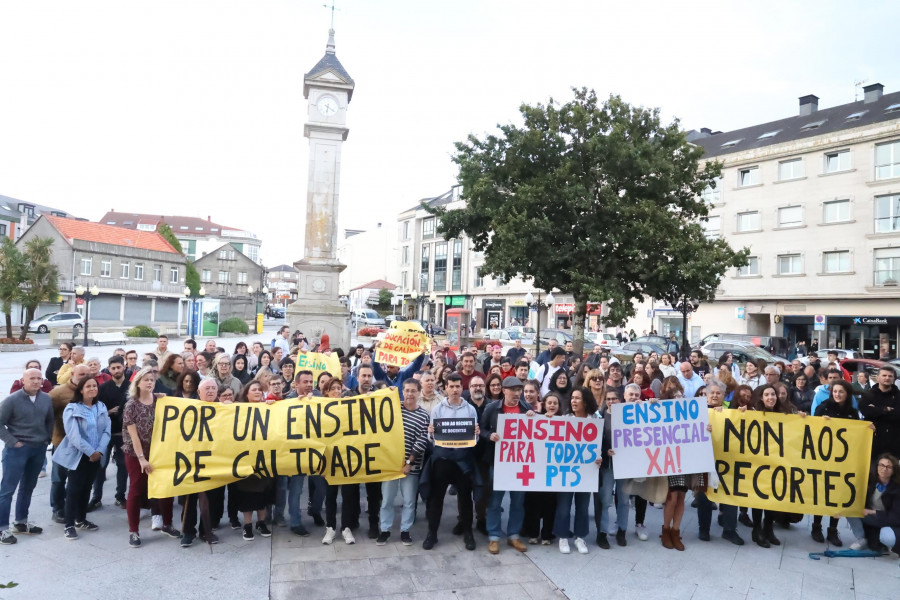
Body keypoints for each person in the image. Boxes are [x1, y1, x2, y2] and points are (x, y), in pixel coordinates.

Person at [123, 366, 179, 548]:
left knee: (166, 487)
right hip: (136, 453)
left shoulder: (160, 401)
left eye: (152, 380)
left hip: (159, 452)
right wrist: (141, 459)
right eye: (145, 380)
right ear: (138, 383)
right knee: (137, 489)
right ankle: (133, 531)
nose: (149, 382)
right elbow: (133, 435)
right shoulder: (131, 405)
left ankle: (167, 524)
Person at [424, 372, 480, 551]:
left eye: (458, 386)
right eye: (452, 386)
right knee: (436, 498)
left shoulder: (470, 409)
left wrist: (476, 434)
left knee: (465, 498)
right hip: (443, 459)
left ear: (461, 388)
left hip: (462, 460)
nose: (455, 390)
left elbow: (474, 439)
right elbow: (432, 439)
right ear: (446, 388)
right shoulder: (438, 409)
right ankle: (432, 533)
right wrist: (431, 432)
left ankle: (468, 533)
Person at [0, 368, 54, 545]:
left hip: (38, 449)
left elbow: (49, 421)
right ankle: (2, 529)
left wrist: (46, 439)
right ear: (23, 380)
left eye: (39, 378)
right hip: (17, 450)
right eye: (32, 378)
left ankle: (21, 523)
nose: (36, 381)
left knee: (28, 487)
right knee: (7, 490)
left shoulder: (46, 398)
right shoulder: (12, 400)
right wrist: (12, 442)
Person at [52, 376, 110, 540]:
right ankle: (69, 524)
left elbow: (107, 430)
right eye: (88, 386)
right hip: (79, 455)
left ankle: (81, 518)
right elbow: (73, 435)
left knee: (87, 488)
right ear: (81, 390)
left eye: (95, 386)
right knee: (73, 489)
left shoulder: (101, 407)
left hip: (97, 455)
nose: (92, 388)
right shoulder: (72, 408)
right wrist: (90, 452)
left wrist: (99, 451)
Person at [480, 376, 531, 554]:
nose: (517, 393)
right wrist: (489, 436)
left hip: (520, 465)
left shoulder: (527, 409)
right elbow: (481, 429)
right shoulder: (492, 408)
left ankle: (513, 535)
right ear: (504, 391)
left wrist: (534, 418)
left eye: (519, 390)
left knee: (518, 501)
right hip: (499, 463)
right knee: (495, 501)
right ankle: (494, 537)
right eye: (513, 390)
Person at [377, 379, 429, 546]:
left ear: (419, 392)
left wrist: (409, 463)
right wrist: (385, 392)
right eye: (406, 390)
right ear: (402, 392)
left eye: (413, 391)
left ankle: (405, 530)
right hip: (390, 465)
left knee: (408, 501)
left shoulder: (424, 416)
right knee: (386, 500)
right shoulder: (394, 408)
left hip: (411, 466)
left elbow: (421, 441)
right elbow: (375, 408)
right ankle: (385, 529)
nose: (409, 394)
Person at [811, 380, 864, 546]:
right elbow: (810, 429)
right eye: (835, 391)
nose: (837, 394)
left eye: (841, 392)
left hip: (842, 461)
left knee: (837, 495)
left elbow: (856, 434)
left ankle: (833, 529)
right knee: (822, 493)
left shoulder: (852, 412)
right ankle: (816, 526)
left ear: (847, 394)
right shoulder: (823, 408)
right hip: (823, 458)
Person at [554, 387, 601, 554]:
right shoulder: (564, 419)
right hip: (566, 471)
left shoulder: (595, 420)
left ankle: (580, 537)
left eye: (577, 398)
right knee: (564, 505)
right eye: (572, 398)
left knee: (583, 505)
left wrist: (600, 456)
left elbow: (601, 444)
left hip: (586, 471)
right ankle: (563, 537)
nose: (573, 401)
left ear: (586, 402)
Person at [231, 381, 274, 541]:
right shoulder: (238, 409)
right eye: (253, 389)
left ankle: (261, 522)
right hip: (245, 458)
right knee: (247, 493)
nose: (257, 392)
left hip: (264, 458)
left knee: (263, 492)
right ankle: (248, 525)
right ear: (246, 394)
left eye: (259, 390)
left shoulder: (269, 407)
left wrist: (271, 405)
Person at [90, 355, 130, 511]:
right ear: (109, 369)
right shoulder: (103, 388)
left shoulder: (132, 386)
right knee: (101, 465)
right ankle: (96, 497)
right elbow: (95, 410)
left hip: (124, 434)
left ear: (124, 367)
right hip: (105, 433)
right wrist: (107, 412)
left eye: (118, 367)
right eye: (113, 368)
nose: (116, 370)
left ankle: (120, 496)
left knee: (122, 465)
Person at [595, 385, 632, 549]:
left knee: (623, 500)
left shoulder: (630, 415)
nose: (611, 402)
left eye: (614, 399)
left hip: (625, 465)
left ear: (620, 400)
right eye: (608, 399)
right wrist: (605, 451)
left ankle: (622, 531)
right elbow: (595, 441)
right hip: (608, 466)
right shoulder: (600, 417)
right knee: (605, 500)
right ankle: (602, 533)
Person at [521, 392, 560, 545]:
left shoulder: (565, 421)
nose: (552, 405)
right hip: (535, 469)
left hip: (553, 471)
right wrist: (531, 414)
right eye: (549, 402)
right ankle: (533, 533)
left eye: (555, 403)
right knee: (533, 503)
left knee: (550, 504)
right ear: (543, 404)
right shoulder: (535, 418)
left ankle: (546, 535)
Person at [846, 453, 900, 553]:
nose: (884, 469)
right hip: (872, 518)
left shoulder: (897, 488)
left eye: (888, 467)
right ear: (877, 467)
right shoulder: (870, 480)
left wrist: (874, 512)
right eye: (882, 465)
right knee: (848, 509)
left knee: (887, 538)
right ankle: (862, 539)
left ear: (894, 470)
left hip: (889, 521)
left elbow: (896, 517)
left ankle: (886, 542)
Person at [860, 365, 900, 460]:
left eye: (890, 376)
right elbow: (865, 410)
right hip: (874, 445)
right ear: (877, 378)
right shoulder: (868, 395)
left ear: (894, 378)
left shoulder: (898, 396)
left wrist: (876, 410)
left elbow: (898, 414)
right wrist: (886, 409)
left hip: (894, 445)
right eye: (884, 375)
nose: (887, 378)